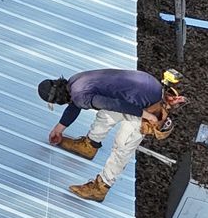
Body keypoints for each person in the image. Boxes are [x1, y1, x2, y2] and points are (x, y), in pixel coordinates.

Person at [37, 68, 185, 202]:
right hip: (147, 85)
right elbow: (77, 103)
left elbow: (115, 105)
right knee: (105, 115)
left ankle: (101, 188)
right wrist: (59, 128)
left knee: (122, 147)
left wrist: (146, 114)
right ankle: (89, 146)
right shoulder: (75, 81)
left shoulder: (80, 95)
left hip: (145, 103)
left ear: (58, 100)